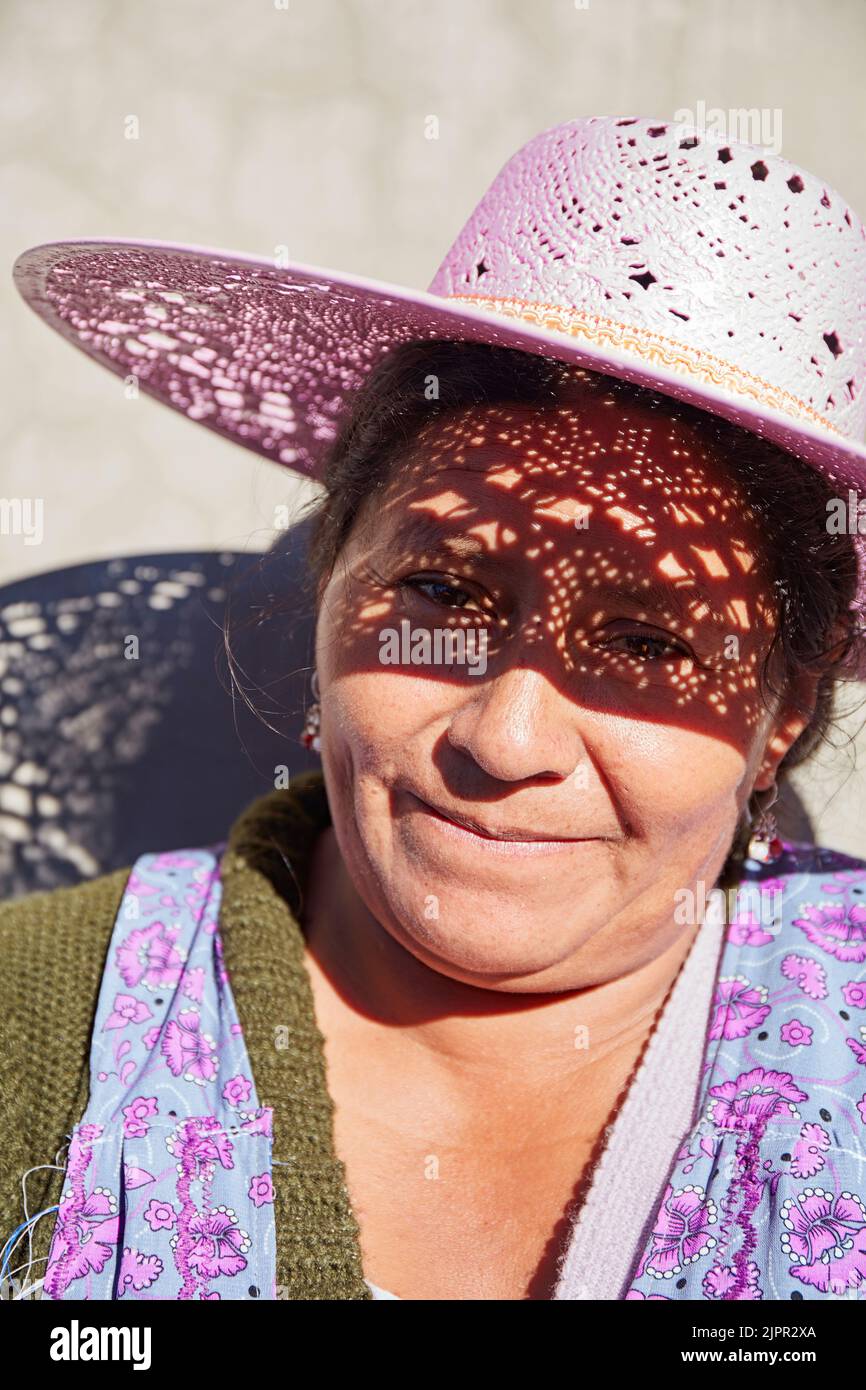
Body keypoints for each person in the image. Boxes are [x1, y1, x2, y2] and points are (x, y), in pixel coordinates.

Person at [3, 116, 866, 1302]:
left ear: (780, 715)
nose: (504, 739)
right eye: (440, 592)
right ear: (326, 588)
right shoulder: (30, 1023)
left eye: (649, 640)